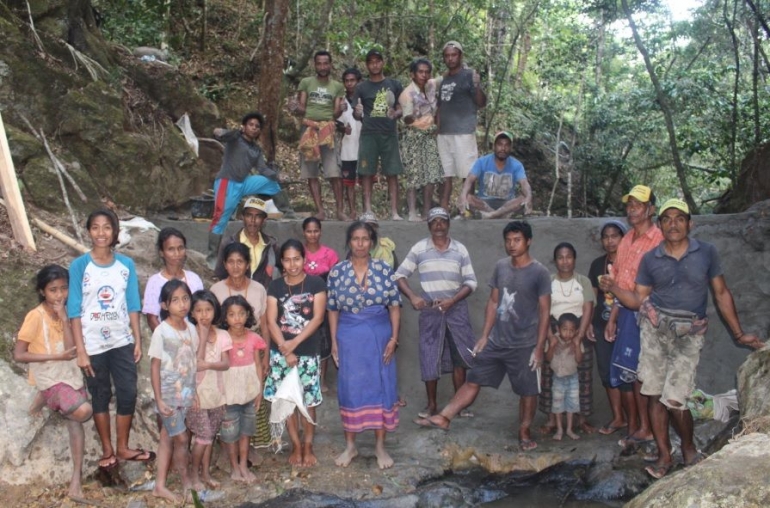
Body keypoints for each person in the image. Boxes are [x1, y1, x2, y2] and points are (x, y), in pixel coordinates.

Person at [629, 199, 763, 478]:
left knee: (676, 399)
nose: (673, 223)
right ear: (660, 225)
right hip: (655, 332)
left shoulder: (707, 253)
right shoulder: (650, 258)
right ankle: (665, 457)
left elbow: (722, 293)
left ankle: (688, 449)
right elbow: (638, 297)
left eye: (680, 218)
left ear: (690, 223)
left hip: (688, 335)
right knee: (653, 394)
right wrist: (615, 289)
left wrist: (739, 333)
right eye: (667, 219)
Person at [415, 221, 551, 452]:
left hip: (525, 344)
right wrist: (485, 336)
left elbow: (545, 311)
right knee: (473, 379)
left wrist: (539, 347)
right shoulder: (501, 267)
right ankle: (444, 417)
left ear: (528, 241)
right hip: (498, 340)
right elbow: (494, 301)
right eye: (508, 240)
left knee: (528, 390)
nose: (512, 245)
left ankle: (524, 431)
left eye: (517, 240)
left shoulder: (539, 272)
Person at [67, 208, 154, 469]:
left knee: (128, 391)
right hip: (92, 343)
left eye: (107, 227)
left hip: (121, 341)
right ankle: (108, 450)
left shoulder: (125, 265)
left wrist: (137, 340)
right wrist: (81, 350)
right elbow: (74, 309)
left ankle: (123, 446)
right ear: (89, 231)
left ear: (115, 232)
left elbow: (132, 304)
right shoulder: (79, 265)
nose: (101, 233)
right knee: (100, 393)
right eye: (95, 227)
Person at [14, 265, 93, 499]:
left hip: (68, 373)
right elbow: (19, 354)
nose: (59, 295)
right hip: (49, 375)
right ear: (42, 292)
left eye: (63, 289)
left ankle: (75, 482)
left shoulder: (66, 312)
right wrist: (55, 356)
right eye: (53, 290)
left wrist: (64, 318)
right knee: (83, 411)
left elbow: (70, 348)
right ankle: (44, 396)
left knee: (75, 423)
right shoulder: (34, 317)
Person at [327, 221, 402, 469]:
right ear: (349, 241)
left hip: (380, 336)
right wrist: (335, 342)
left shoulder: (384, 269)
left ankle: (380, 447)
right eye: (356, 238)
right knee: (350, 388)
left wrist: (394, 338)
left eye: (365, 238)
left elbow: (394, 306)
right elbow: (333, 309)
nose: (360, 243)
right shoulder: (337, 272)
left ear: (372, 242)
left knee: (381, 387)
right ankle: (351, 447)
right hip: (349, 337)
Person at [395, 207, 477, 418]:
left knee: (461, 358)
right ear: (429, 225)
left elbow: (470, 282)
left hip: (456, 309)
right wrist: (413, 297)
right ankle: (431, 405)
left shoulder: (460, 249)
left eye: (443, 221)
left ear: (449, 224)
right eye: (434, 221)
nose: (439, 224)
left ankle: (459, 406)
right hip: (431, 311)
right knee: (429, 357)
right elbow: (399, 275)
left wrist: (453, 300)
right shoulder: (420, 248)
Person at [599, 185, 663, 449]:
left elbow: (649, 287)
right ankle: (640, 427)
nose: (632, 208)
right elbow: (621, 283)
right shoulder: (627, 240)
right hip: (626, 312)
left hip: (650, 314)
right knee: (632, 373)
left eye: (638, 204)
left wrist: (613, 289)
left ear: (651, 209)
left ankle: (649, 429)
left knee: (646, 373)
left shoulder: (658, 239)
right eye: (629, 204)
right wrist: (613, 317)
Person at [264, 240, 328, 467]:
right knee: (288, 401)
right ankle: (296, 445)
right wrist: (284, 348)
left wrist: (294, 344)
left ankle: (309, 445)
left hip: (308, 352)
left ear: (304, 259)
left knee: (308, 402)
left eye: (297, 259)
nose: (292, 264)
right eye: (287, 259)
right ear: (281, 262)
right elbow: (271, 321)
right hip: (281, 353)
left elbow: (318, 318)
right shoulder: (275, 287)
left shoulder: (316, 283)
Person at [207, 112, 293, 269]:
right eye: (251, 125)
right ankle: (211, 257)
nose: (253, 128)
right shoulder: (235, 138)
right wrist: (219, 131)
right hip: (227, 182)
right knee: (220, 217)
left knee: (269, 182)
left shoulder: (256, 150)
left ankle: (287, 211)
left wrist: (277, 175)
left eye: (257, 126)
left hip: (243, 183)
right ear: (244, 126)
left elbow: (262, 169)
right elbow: (222, 135)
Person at [148, 280, 198, 503]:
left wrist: (194, 391)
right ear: (165, 305)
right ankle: (187, 483)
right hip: (168, 396)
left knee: (167, 438)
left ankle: (159, 485)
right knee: (181, 438)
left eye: (185, 298)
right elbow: (155, 366)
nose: (182, 304)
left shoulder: (191, 328)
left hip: (185, 394)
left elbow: (193, 362)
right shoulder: (161, 331)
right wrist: (158, 399)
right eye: (175, 300)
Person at [539, 242, 596, 435]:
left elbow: (588, 307)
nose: (565, 261)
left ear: (574, 259)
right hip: (554, 328)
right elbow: (543, 310)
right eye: (561, 257)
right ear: (555, 261)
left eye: (569, 257)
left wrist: (580, 335)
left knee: (583, 375)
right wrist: (549, 336)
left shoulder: (583, 281)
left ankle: (582, 419)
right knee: (549, 375)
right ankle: (551, 420)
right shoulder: (548, 281)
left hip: (578, 328)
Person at [352, 49, 404, 220]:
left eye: (377, 61)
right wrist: (358, 113)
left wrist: (396, 114)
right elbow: (356, 113)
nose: (374, 64)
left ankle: (394, 211)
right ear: (367, 65)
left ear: (383, 63)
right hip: (369, 134)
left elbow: (401, 107)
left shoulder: (394, 84)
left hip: (389, 133)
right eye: (371, 62)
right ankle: (368, 210)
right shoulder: (361, 88)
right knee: (366, 172)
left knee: (392, 172)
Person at [293, 50, 346, 220]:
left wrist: (341, 109)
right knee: (311, 172)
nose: (323, 66)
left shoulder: (337, 86)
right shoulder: (306, 82)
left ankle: (340, 211)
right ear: (314, 65)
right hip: (309, 129)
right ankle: (320, 210)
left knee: (334, 171)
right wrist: (295, 107)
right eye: (319, 63)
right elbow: (301, 108)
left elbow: (336, 113)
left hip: (328, 130)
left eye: (325, 63)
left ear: (330, 65)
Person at [588, 220, 629, 435]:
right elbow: (593, 297)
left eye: (615, 235)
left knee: (627, 372)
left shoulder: (630, 264)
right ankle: (618, 417)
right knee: (606, 371)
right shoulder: (597, 264)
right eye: (606, 236)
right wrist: (588, 324)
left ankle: (636, 421)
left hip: (626, 325)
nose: (610, 240)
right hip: (600, 325)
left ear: (623, 238)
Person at [187, 290, 231, 492]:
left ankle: (205, 473)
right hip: (196, 396)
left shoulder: (223, 335)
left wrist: (209, 365)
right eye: (199, 311)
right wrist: (202, 337)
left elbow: (225, 364)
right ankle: (193, 474)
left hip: (216, 394)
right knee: (203, 436)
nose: (204, 315)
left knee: (210, 436)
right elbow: (194, 364)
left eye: (208, 310)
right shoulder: (188, 333)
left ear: (215, 311)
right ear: (192, 313)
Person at [219, 295, 266, 483]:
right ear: (225, 318)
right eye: (231, 314)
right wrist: (220, 394)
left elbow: (257, 365)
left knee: (246, 432)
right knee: (230, 434)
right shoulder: (222, 338)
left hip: (249, 392)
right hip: (229, 394)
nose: (237, 318)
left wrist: (259, 391)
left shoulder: (254, 338)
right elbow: (220, 368)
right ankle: (234, 467)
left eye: (241, 314)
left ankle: (244, 466)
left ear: (248, 315)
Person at [436, 40, 487, 210]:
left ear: (460, 56)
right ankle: (444, 210)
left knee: (467, 174)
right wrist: (437, 128)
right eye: (447, 55)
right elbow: (440, 105)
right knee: (445, 175)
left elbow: (481, 102)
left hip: (463, 132)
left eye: (454, 55)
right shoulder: (444, 79)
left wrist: (477, 85)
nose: (450, 58)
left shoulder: (468, 75)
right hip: (444, 134)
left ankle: (468, 209)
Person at [398, 58, 443, 221]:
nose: (424, 75)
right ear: (412, 74)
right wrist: (413, 115)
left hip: (430, 135)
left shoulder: (431, 85)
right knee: (413, 175)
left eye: (426, 72)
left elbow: (444, 77)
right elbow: (406, 119)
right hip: (413, 136)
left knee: (431, 174)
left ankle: (426, 212)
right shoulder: (407, 94)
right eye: (420, 72)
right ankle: (411, 212)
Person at [302, 217, 340, 391]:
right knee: (304, 338)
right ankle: (305, 377)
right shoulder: (298, 253)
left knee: (323, 341)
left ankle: (322, 379)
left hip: (324, 302)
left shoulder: (330, 254)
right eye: (309, 231)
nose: (312, 234)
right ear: (304, 232)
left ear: (321, 231)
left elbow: (336, 280)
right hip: (302, 302)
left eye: (316, 230)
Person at [458, 131, 532, 219]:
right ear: (494, 146)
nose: (503, 148)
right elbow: (469, 180)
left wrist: (529, 197)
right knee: (468, 197)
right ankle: (501, 215)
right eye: (500, 144)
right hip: (484, 203)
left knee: (523, 198)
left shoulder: (516, 165)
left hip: (507, 204)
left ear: (510, 148)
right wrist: (463, 196)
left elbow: (524, 183)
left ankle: (490, 216)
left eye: (506, 145)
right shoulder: (482, 161)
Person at [143, 227, 204, 331]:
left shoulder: (194, 279)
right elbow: (152, 318)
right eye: (171, 249)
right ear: (162, 252)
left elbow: (201, 311)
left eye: (180, 248)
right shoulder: (154, 282)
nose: (177, 253)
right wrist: (169, 340)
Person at [214, 197, 279, 290]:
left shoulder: (271, 245)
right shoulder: (229, 243)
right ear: (242, 217)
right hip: (236, 298)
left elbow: (283, 268)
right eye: (249, 215)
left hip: (263, 298)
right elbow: (220, 274)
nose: (253, 220)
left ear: (264, 220)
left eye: (258, 216)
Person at [547, 313, 583, 441]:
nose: (568, 333)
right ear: (558, 329)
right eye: (564, 329)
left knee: (571, 405)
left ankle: (569, 429)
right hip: (558, 378)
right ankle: (559, 429)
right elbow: (548, 358)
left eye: (571, 331)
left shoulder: (576, 341)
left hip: (573, 378)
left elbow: (579, 360)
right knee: (557, 405)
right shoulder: (554, 340)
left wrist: (577, 345)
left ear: (576, 331)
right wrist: (551, 346)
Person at [338, 68, 363, 220]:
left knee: (366, 181)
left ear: (359, 81)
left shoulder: (365, 99)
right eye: (347, 81)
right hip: (348, 147)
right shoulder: (342, 102)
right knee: (349, 183)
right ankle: (352, 211)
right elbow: (337, 123)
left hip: (364, 146)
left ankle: (367, 210)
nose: (349, 83)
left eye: (352, 80)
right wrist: (343, 129)